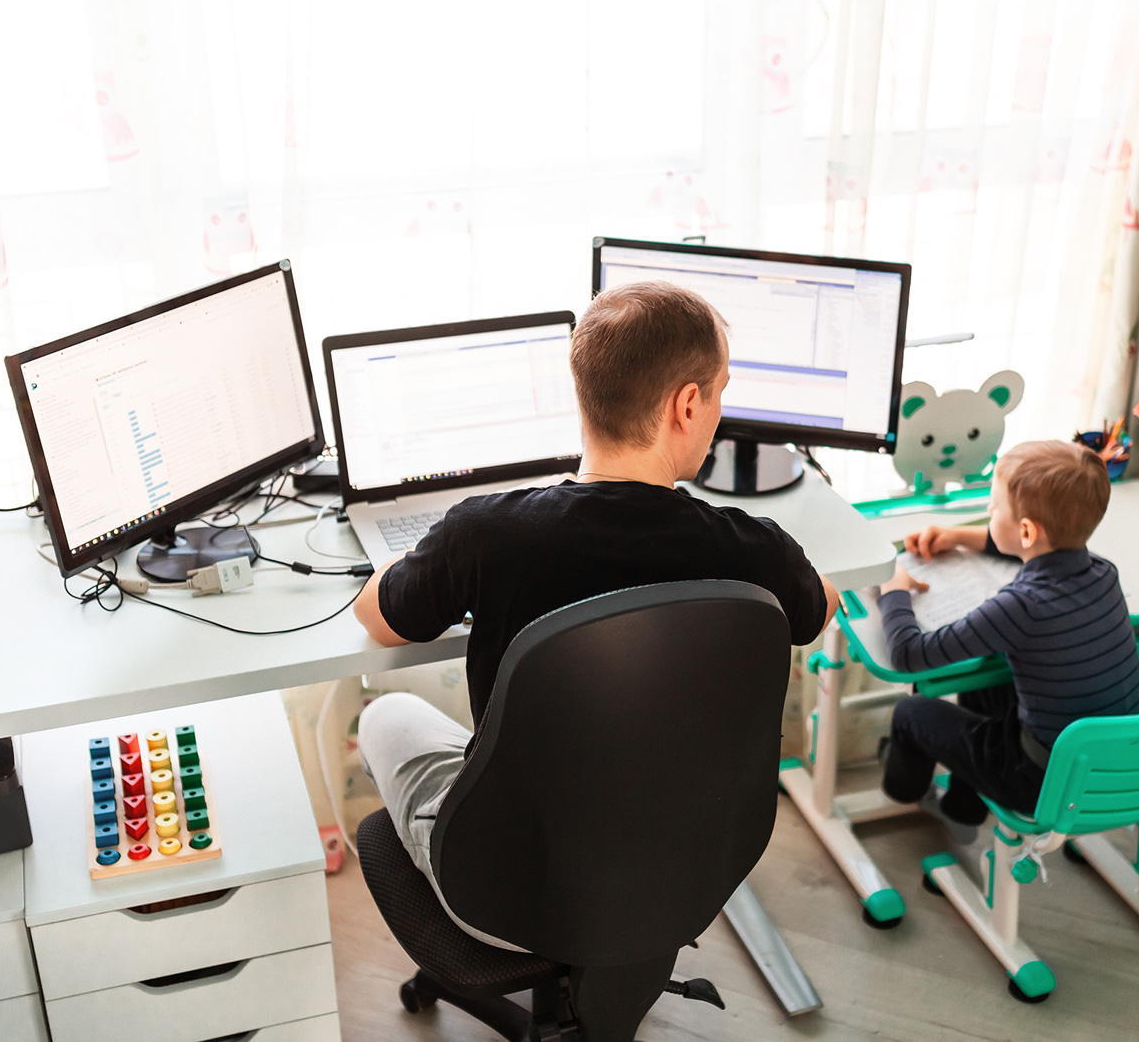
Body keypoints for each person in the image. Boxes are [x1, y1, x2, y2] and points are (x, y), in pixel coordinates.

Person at [353, 280, 839, 950]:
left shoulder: (485, 534)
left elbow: (379, 619)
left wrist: (413, 559)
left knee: (383, 714)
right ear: (687, 405)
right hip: (690, 869)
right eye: (720, 392)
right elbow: (816, 609)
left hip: (506, 893)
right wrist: (805, 574)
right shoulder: (754, 550)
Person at [876, 440, 1139, 857]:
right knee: (987, 685)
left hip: (1039, 780)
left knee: (911, 711)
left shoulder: (1022, 607)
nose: (989, 511)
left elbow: (908, 655)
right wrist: (958, 536)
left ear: (1027, 531)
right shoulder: (1103, 571)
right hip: (1110, 760)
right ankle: (962, 808)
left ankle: (904, 789)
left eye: (994, 507)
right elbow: (1036, 547)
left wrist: (893, 590)